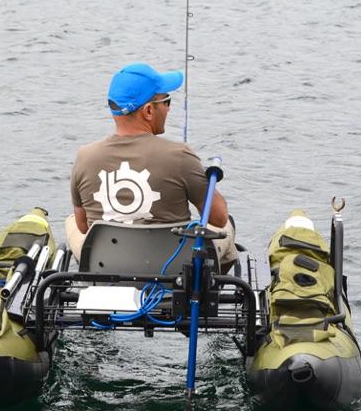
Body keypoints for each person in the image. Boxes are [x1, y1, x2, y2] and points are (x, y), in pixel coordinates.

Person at [65, 62, 237, 269]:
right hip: (172, 272)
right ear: (148, 111)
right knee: (227, 225)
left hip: (107, 266)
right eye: (167, 101)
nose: (169, 108)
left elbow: (83, 226)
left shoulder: (84, 157)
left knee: (71, 221)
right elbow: (218, 218)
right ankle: (215, 288)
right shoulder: (180, 155)